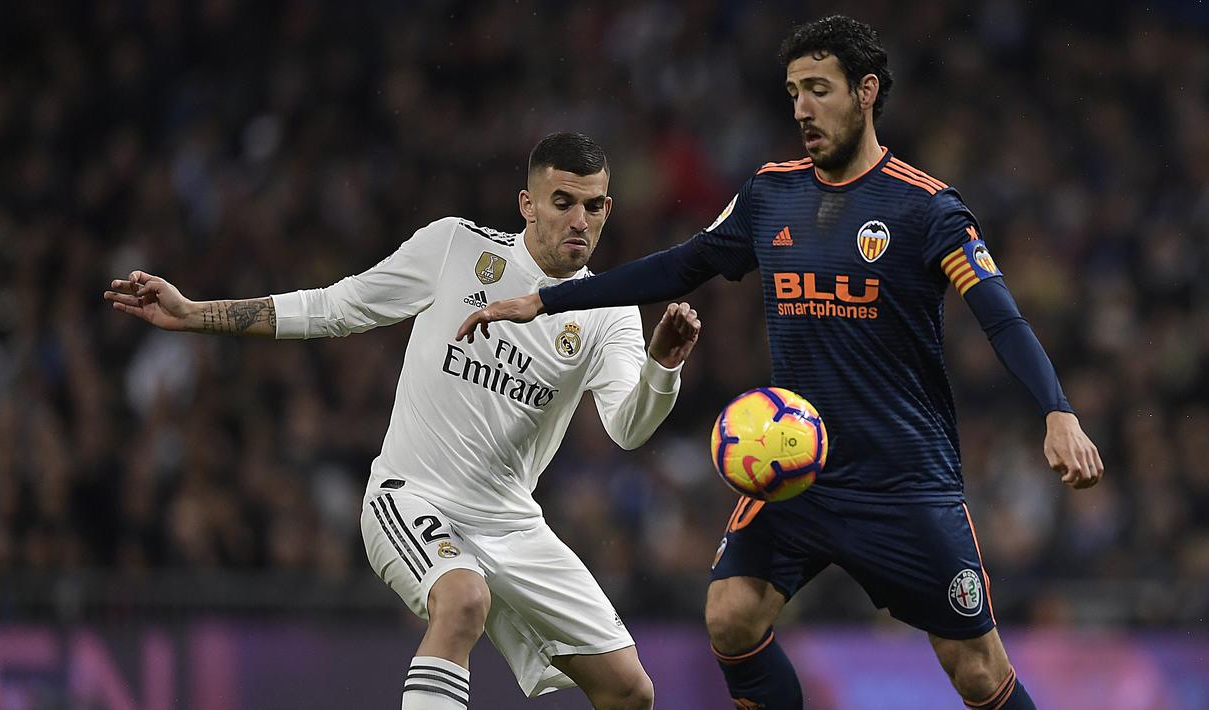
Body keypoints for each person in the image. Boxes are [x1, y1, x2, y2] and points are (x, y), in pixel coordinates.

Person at [457, 16, 1102, 710]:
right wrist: (547, 299)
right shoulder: (770, 195)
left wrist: (1056, 411)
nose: (801, 109)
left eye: (818, 89)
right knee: (730, 615)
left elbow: (1000, 316)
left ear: (865, 92)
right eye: (794, 92)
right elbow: (682, 265)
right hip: (797, 470)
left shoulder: (926, 208)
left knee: (975, 670)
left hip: (904, 482)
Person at [105, 132, 701, 710]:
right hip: (412, 497)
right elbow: (334, 307)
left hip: (512, 525)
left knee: (631, 691)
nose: (578, 220)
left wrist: (663, 367)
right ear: (527, 204)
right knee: (463, 600)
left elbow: (628, 429)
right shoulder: (455, 248)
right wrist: (196, 314)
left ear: (607, 210)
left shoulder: (609, 311)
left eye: (592, 207)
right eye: (562, 202)